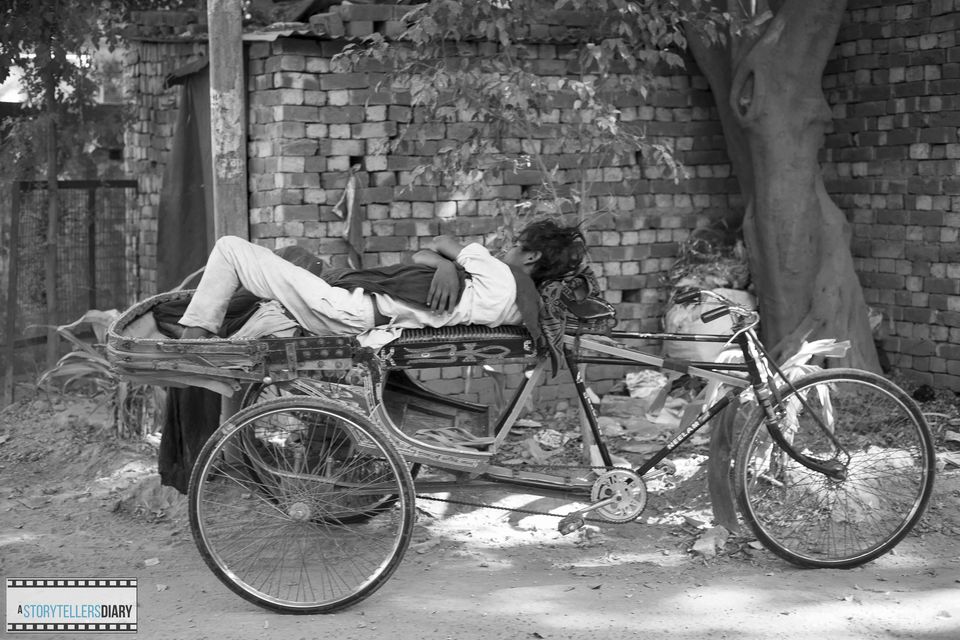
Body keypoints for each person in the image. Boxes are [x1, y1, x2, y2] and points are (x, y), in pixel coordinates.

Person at [178, 219, 587, 351]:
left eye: (516, 246)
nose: (507, 249)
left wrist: (448, 261)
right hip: (362, 316)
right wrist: (448, 267)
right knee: (283, 264)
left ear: (531, 258)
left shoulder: (501, 275)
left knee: (231, 248)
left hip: (346, 308)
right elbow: (428, 259)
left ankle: (190, 344)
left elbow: (441, 242)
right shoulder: (518, 303)